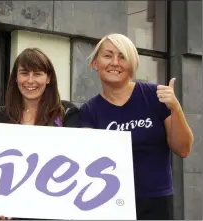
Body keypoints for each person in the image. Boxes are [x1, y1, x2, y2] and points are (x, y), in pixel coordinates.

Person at [79, 33, 194, 220]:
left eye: (122, 56)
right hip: (109, 203)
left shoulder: (155, 96)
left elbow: (183, 149)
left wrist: (175, 108)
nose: (115, 62)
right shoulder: (89, 111)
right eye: (108, 55)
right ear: (95, 64)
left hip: (156, 202)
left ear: (132, 65)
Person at [0, 47, 81, 220]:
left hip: (55, 209)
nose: (30, 80)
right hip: (12, 211)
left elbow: (78, 161)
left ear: (48, 78)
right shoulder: (0, 116)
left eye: (38, 74)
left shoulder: (68, 113)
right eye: (24, 73)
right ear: (16, 78)